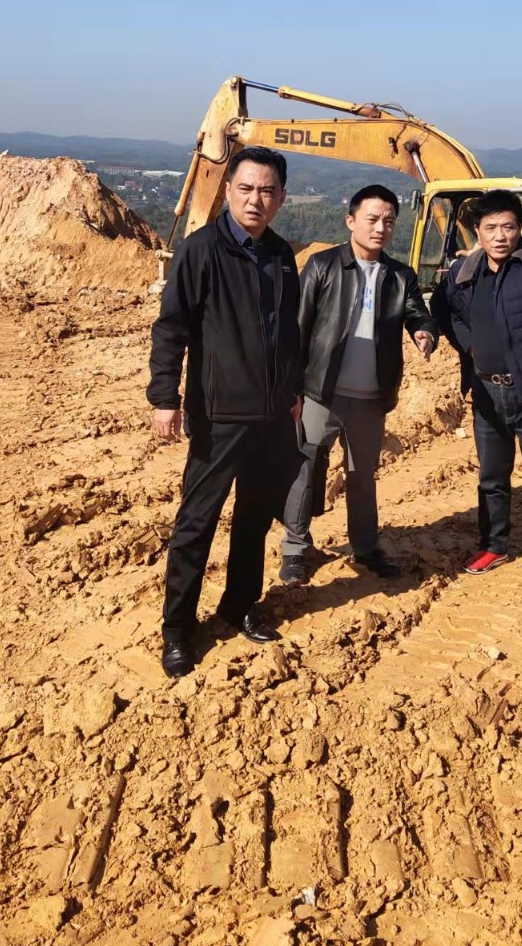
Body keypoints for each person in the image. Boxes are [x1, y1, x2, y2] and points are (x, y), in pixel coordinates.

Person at [147, 146, 303, 677]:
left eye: (267, 191)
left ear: (281, 197)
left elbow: (288, 332)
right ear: (229, 190)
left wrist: (293, 389)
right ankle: (177, 630)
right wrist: (164, 397)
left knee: (254, 520)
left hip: (272, 417)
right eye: (246, 188)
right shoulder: (201, 250)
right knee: (197, 523)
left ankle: (239, 607)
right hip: (220, 416)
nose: (255, 199)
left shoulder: (281, 254)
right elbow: (171, 328)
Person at [279, 184, 438, 585]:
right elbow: (297, 328)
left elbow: (419, 313)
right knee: (303, 469)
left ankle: (366, 547)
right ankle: (295, 548)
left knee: (362, 475)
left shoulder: (400, 276)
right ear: (351, 221)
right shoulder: (322, 265)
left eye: (389, 221)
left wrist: (424, 332)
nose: (380, 228)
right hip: (321, 392)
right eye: (372, 219)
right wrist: (291, 388)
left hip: (370, 398)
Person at [434, 189, 522, 597]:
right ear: (477, 232)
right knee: (492, 479)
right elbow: (445, 311)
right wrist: (469, 345)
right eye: (491, 227)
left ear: (519, 229)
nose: (500, 236)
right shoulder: (464, 274)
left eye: (508, 227)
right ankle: (494, 546)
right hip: (487, 394)